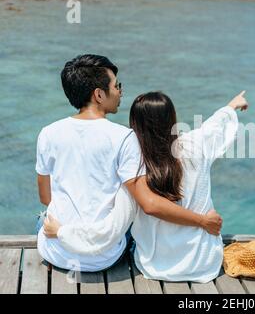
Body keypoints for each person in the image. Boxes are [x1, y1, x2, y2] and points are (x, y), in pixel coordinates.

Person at [36, 54, 222, 272]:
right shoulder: (124, 138)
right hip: (103, 258)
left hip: (56, 252)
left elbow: (45, 197)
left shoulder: (48, 134)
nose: (120, 91)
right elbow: (149, 204)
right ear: (98, 94)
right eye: (116, 85)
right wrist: (202, 221)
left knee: (42, 219)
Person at [44, 90, 248, 282]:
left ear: (135, 124)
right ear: (172, 118)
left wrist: (62, 232)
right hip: (203, 263)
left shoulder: (134, 167)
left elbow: (111, 229)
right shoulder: (196, 146)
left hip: (155, 266)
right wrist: (231, 106)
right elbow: (214, 127)